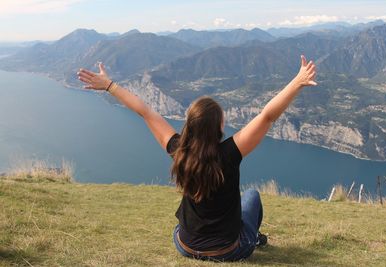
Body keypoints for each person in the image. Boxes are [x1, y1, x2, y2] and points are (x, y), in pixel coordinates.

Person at [77, 55, 317, 261]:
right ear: (219, 126)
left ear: (190, 124)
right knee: (252, 196)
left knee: (193, 223)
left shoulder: (178, 150)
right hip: (228, 251)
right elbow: (267, 116)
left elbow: (145, 112)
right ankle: (252, 240)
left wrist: (109, 85)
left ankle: (241, 239)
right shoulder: (230, 153)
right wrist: (296, 82)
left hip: (185, 245)